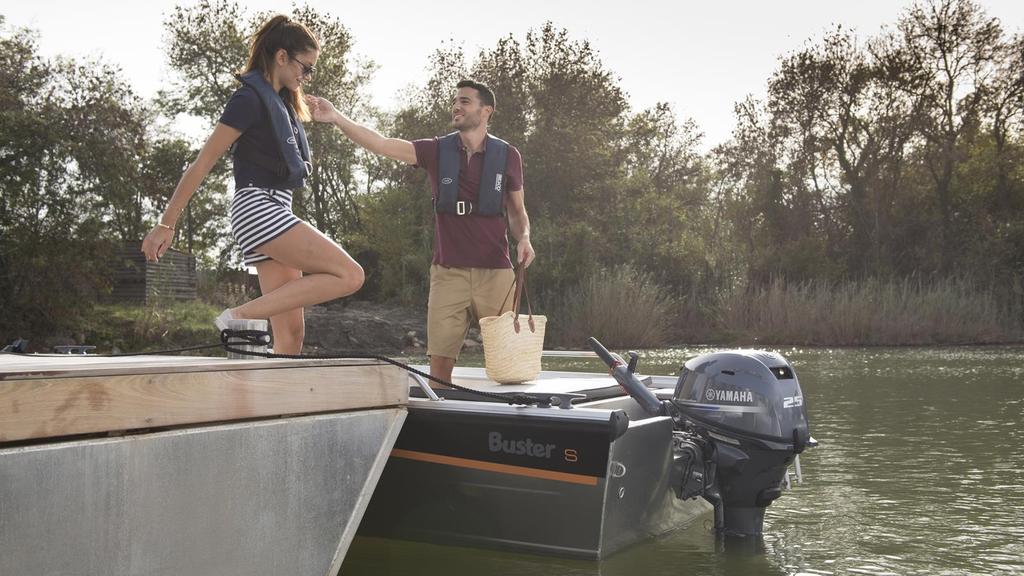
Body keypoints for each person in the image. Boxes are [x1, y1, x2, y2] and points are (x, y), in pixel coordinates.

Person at [141, 15, 363, 355]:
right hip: (258, 208)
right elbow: (203, 162)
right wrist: (166, 223)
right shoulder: (248, 100)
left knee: (290, 336)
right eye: (306, 67)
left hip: (275, 208)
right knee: (350, 275)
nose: (307, 76)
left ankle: (275, 403)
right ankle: (239, 316)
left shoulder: (284, 105)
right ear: (281, 57)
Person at [306, 80, 535, 383]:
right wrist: (336, 117)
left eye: (465, 101)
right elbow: (382, 144)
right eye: (455, 100)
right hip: (447, 274)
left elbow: (517, 212)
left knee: (510, 368)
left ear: (486, 110)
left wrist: (525, 239)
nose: (456, 106)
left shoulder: (508, 155)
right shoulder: (436, 150)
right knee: (438, 372)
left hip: (497, 275)